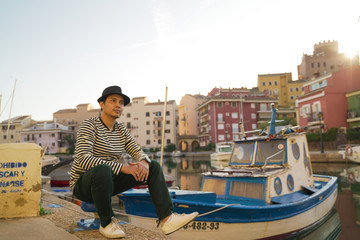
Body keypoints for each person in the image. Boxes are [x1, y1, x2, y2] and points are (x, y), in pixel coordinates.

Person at [70, 86, 198, 238]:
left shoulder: (121, 130)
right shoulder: (89, 125)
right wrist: (122, 168)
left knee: (153, 166)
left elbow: (136, 150)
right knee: (103, 169)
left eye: (121, 102)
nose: (118, 105)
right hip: (83, 184)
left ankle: (167, 218)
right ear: (102, 104)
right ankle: (107, 224)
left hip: (107, 182)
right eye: (113, 101)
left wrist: (143, 161)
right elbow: (83, 159)